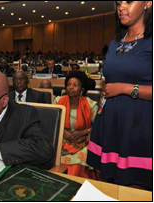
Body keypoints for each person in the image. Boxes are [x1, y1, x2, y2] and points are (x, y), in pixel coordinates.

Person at [87, 1, 153, 190]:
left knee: (134, 188)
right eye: (118, 2)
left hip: (140, 127)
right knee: (108, 188)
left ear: (148, 3)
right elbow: (108, 84)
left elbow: (119, 85)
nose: (121, 7)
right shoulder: (115, 43)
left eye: (129, 1)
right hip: (110, 125)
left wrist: (125, 88)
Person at [53, 72, 98, 179]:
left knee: (79, 160)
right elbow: (52, 122)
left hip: (83, 140)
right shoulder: (58, 101)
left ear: (81, 89)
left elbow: (98, 126)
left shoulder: (90, 104)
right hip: (62, 139)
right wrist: (63, 132)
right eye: (68, 84)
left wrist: (82, 132)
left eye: (75, 85)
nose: (70, 88)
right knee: (56, 158)